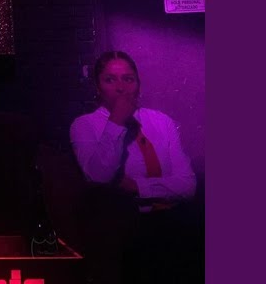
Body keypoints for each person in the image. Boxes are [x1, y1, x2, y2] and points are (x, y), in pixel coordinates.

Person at [69, 51, 198, 283]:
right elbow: (98, 177)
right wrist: (116, 121)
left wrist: (136, 187)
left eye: (128, 79)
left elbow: (188, 185)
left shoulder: (161, 121)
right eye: (110, 80)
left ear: (138, 85)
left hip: (173, 224)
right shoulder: (84, 125)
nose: (121, 88)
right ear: (98, 87)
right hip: (124, 231)